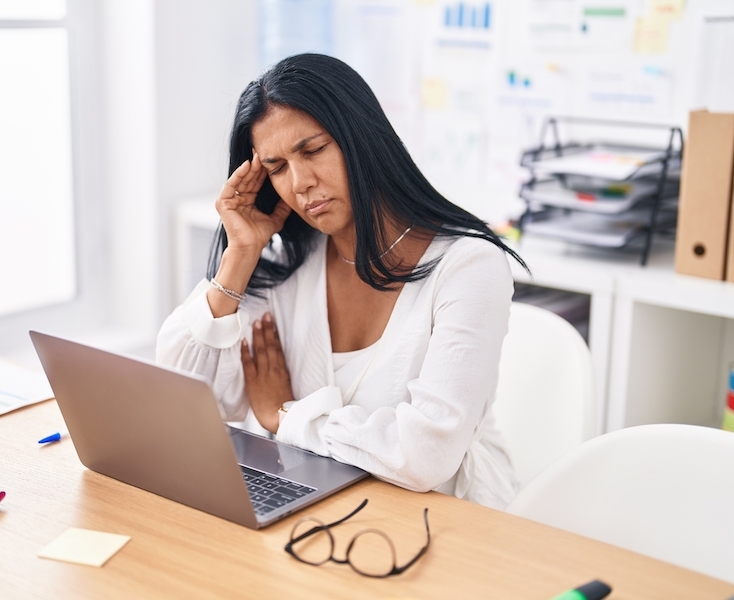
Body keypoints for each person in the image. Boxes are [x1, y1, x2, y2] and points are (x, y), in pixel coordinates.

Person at [156, 53, 527, 509]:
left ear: (360, 138)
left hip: (448, 520)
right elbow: (186, 400)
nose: (301, 183)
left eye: (312, 151)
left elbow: (425, 455)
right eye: (276, 167)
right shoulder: (291, 265)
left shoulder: (469, 266)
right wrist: (240, 255)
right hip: (322, 511)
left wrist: (285, 416)